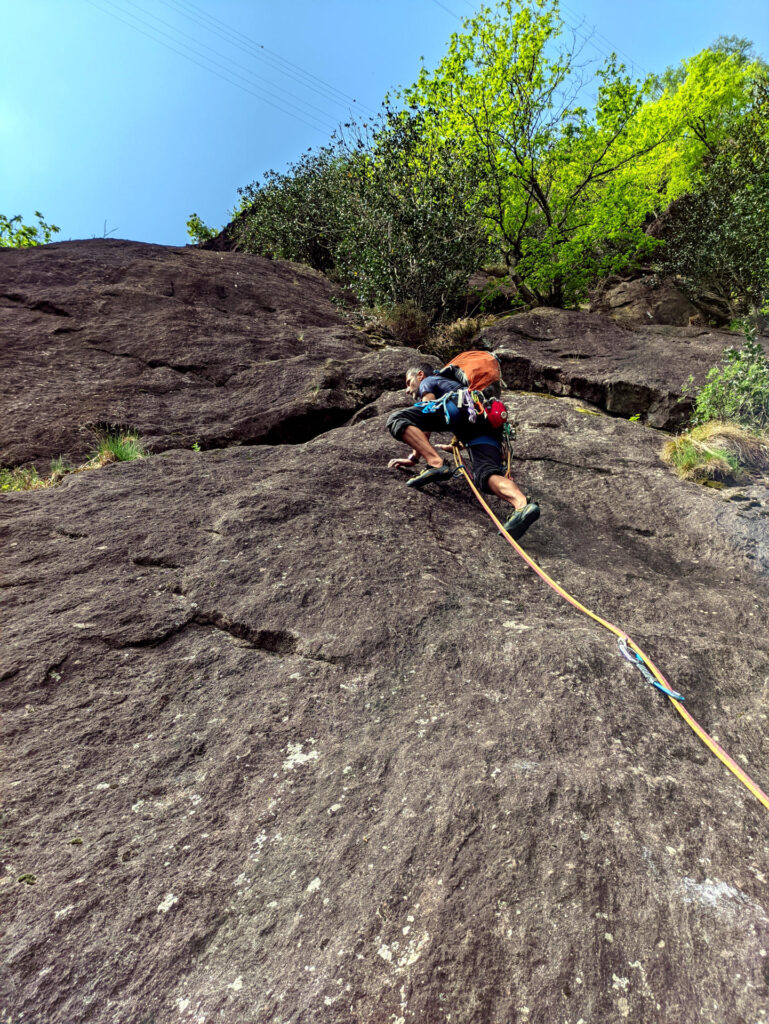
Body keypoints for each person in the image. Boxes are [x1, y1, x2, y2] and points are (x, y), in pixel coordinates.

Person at [386, 364, 541, 541]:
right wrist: (456, 446)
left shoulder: (428, 381)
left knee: (396, 419)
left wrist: (414, 458)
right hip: (485, 423)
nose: (407, 390)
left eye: (408, 382)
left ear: (420, 375)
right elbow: (467, 422)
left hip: (460, 409)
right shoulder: (457, 386)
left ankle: (436, 464)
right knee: (486, 474)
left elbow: (427, 412)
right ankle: (522, 505)